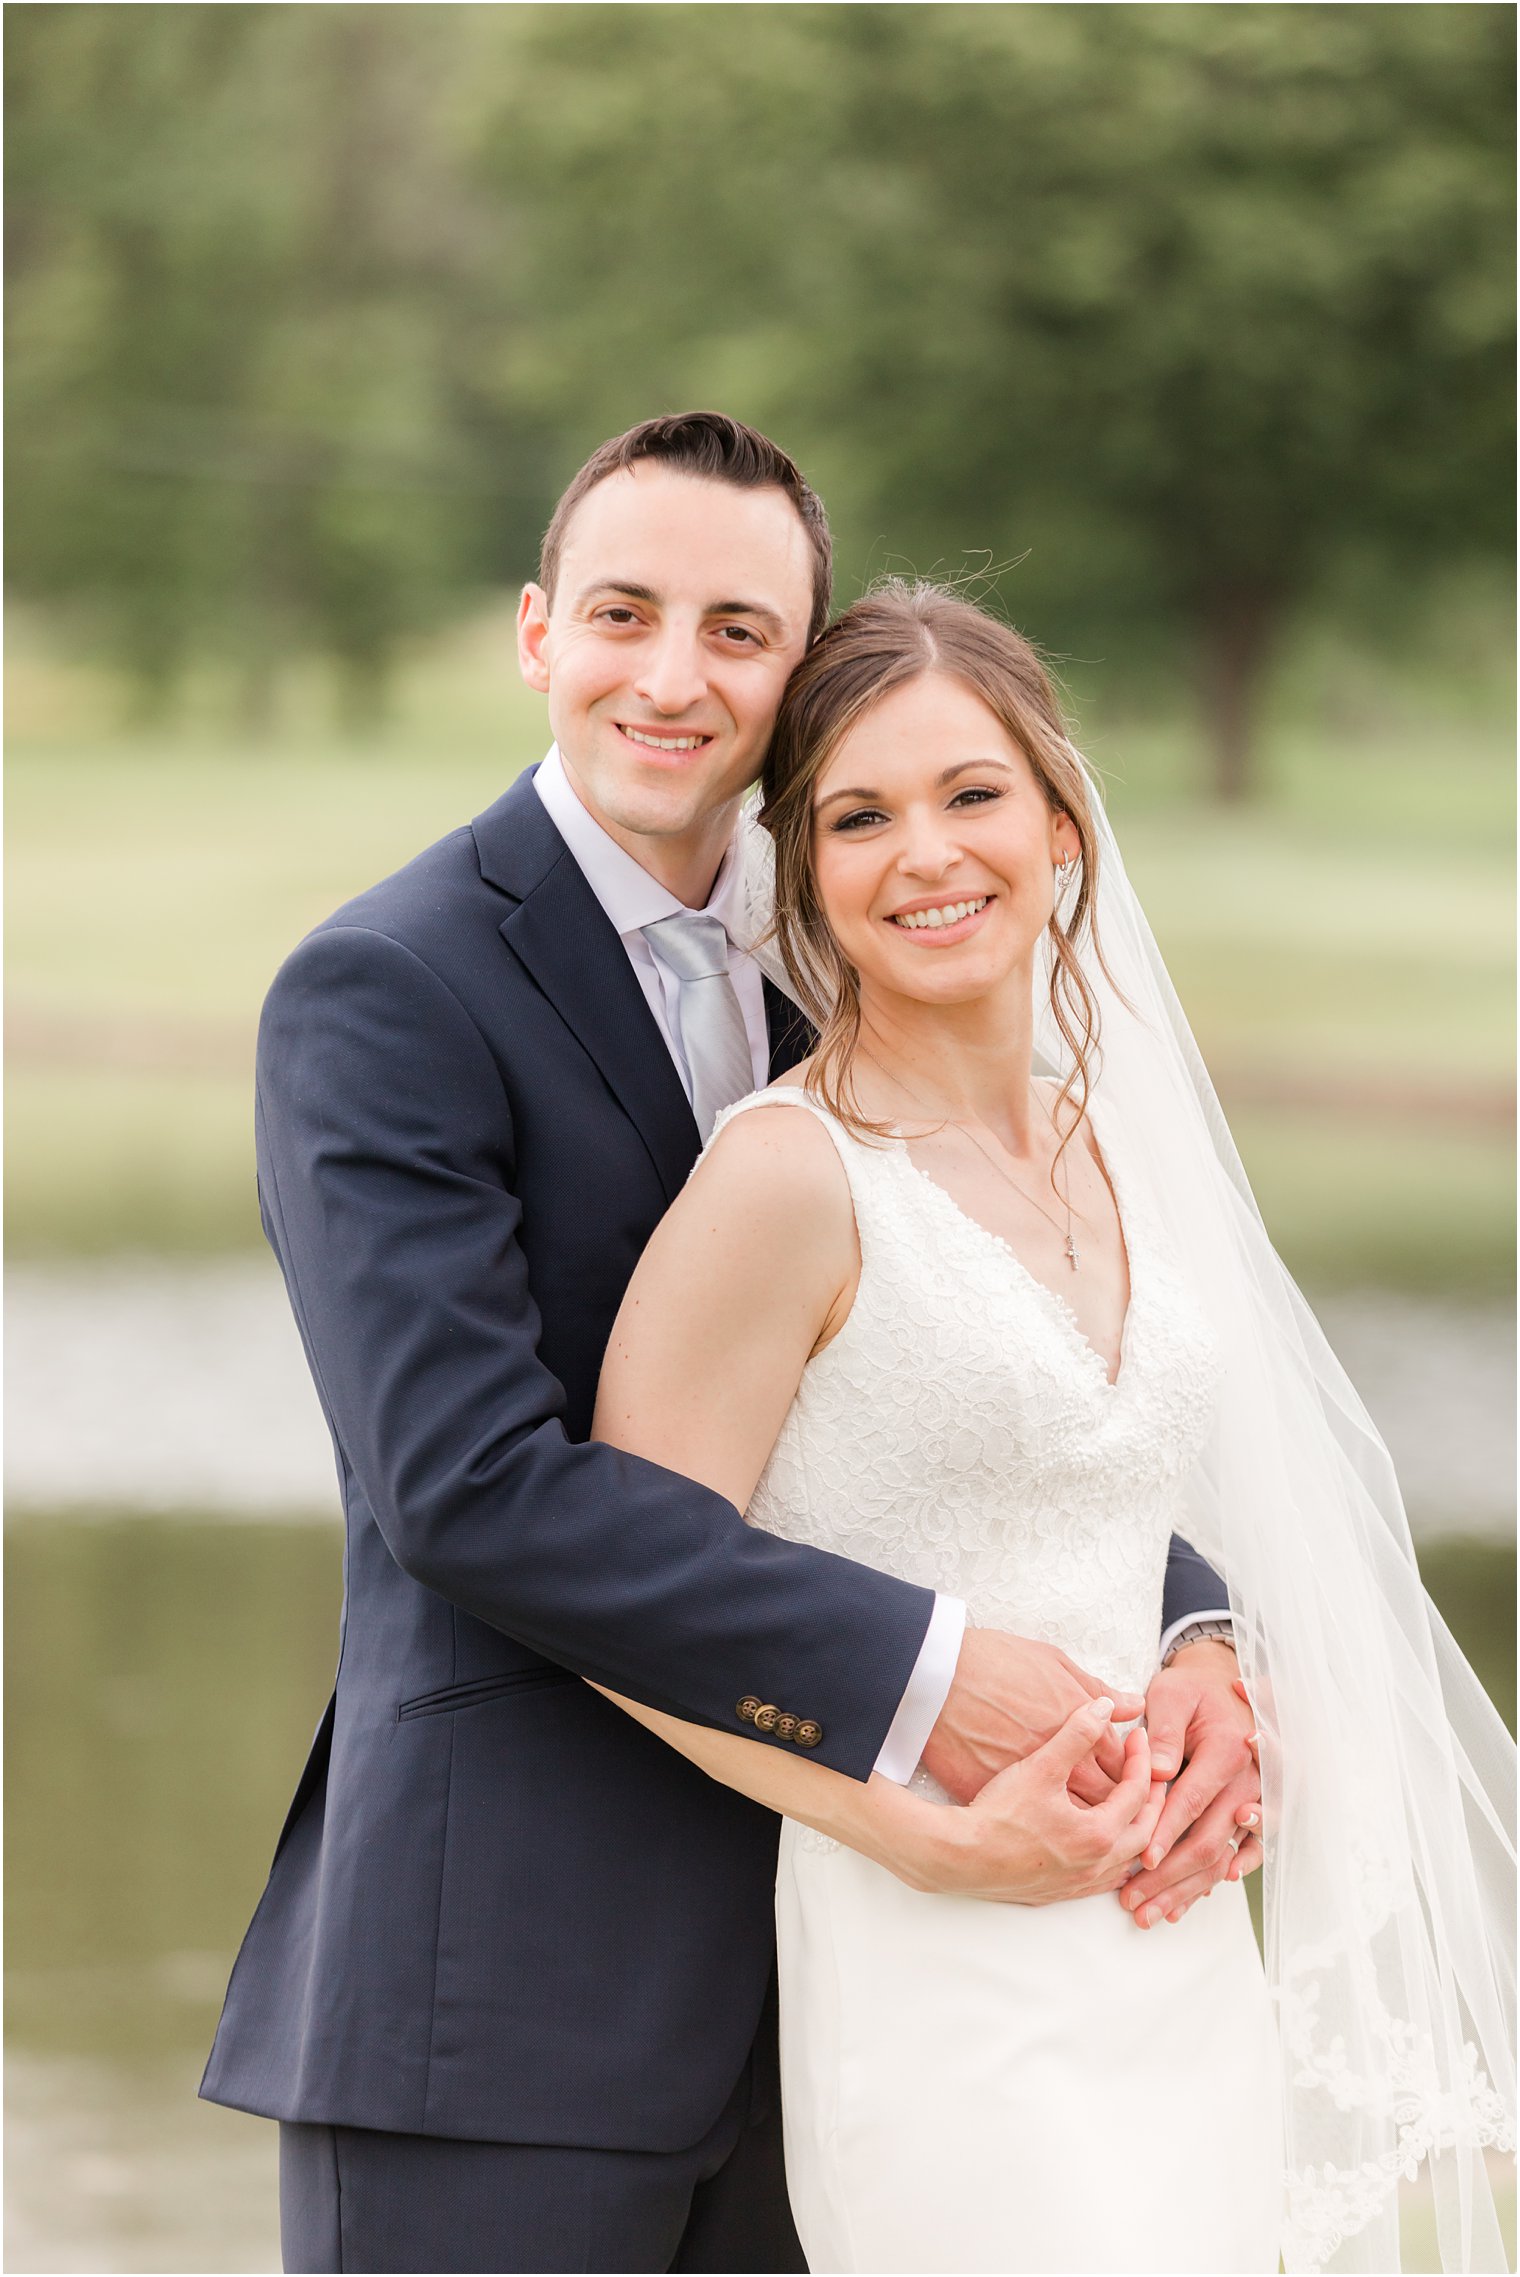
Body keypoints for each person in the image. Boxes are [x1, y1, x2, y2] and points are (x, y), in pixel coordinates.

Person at [200, 414, 1259, 2277]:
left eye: (740, 631)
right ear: (539, 631)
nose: (671, 676)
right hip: (511, 1996)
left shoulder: (858, 945)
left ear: (798, 669)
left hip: (849, 1999)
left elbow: (951, 1393)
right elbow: (472, 1488)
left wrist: (1187, 1626)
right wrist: (938, 1673)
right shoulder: (388, 990)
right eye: (623, 612)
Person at [590, 582, 1518, 2274]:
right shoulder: (786, 1179)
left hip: (1168, 1944)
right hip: (934, 1954)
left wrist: (1217, 1657)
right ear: (801, 872)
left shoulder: (1125, 1139)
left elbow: (1141, 1496)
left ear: (1063, 815)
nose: (925, 854)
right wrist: (913, 1830)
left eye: (971, 793)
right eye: (858, 817)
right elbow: (619, 1603)